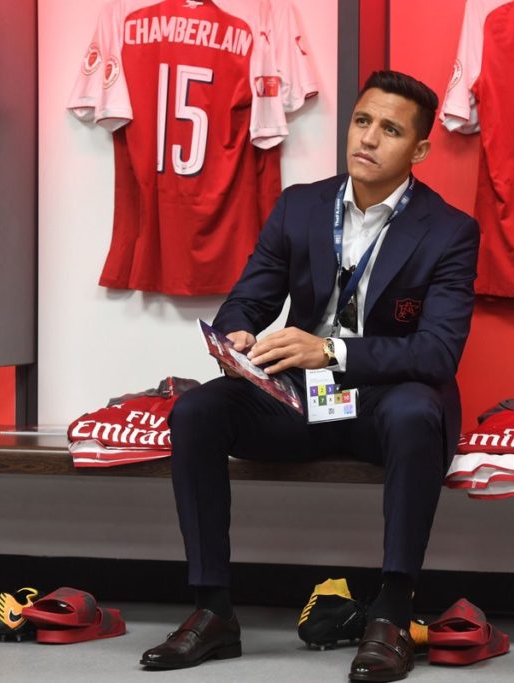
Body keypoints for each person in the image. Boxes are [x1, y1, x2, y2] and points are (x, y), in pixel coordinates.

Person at [140, 70, 480, 682]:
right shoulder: (300, 206)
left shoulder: (451, 230)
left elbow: (436, 353)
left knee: (414, 411)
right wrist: (237, 337)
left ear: (420, 150)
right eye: (362, 121)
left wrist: (331, 351)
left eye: (391, 130)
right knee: (197, 411)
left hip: (382, 404)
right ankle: (212, 612)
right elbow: (248, 299)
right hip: (301, 401)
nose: (368, 138)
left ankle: (391, 613)